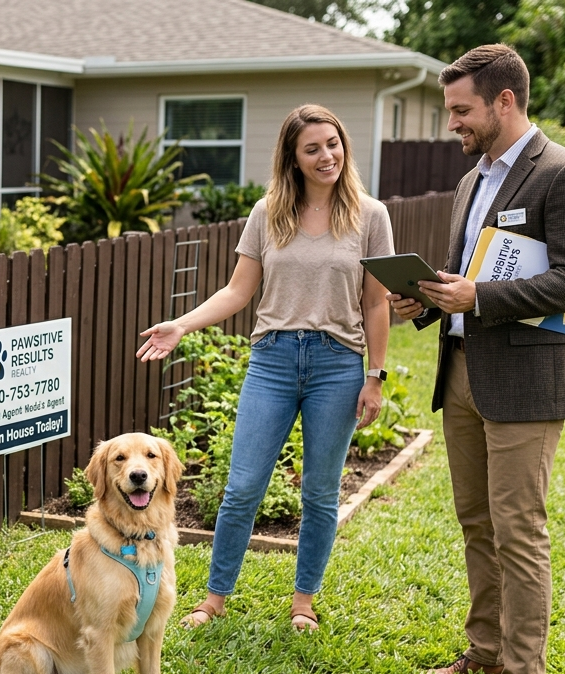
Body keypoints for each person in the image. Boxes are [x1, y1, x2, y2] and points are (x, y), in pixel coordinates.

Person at [388, 45, 565, 674]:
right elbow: (473, 274)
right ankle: (484, 654)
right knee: (476, 524)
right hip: (460, 372)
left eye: (461, 110)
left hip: (525, 384)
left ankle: (521, 667)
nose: (451, 122)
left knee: (518, 531)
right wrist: (429, 302)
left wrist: (478, 296)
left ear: (504, 101)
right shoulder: (470, 178)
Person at [137, 104, 393, 632]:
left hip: (337, 364)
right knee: (243, 487)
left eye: (333, 143)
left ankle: (304, 600)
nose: (327, 156)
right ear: (293, 158)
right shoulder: (268, 213)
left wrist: (375, 375)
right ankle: (214, 597)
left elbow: (376, 303)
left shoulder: (371, 216)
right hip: (273, 359)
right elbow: (237, 290)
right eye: (312, 148)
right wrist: (182, 325)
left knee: (320, 492)